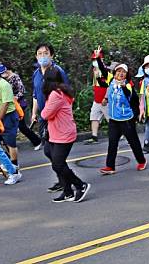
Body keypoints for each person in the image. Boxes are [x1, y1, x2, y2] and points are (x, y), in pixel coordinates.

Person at [40, 67, 91, 203]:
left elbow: (45, 114)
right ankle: (67, 191)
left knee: (58, 164)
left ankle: (80, 185)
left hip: (63, 134)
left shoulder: (56, 95)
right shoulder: (61, 91)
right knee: (49, 153)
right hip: (56, 132)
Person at [98, 62, 147, 175]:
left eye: (123, 72)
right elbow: (103, 70)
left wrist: (123, 86)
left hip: (126, 119)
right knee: (112, 143)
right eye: (119, 71)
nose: (121, 73)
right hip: (114, 118)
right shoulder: (111, 80)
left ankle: (141, 161)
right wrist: (98, 59)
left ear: (126, 74)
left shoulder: (128, 84)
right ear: (115, 73)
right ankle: (110, 166)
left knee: (133, 141)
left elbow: (128, 93)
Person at [31, 43, 69, 157]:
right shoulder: (36, 74)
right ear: (36, 56)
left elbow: (67, 94)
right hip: (44, 115)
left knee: (54, 150)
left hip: (57, 116)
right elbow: (35, 95)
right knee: (48, 150)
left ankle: (62, 171)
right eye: (40, 54)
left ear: (51, 55)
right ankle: (61, 171)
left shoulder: (58, 71)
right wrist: (34, 113)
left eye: (46, 53)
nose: (43, 56)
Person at [0, 64, 40, 148]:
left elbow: (22, 90)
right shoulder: (2, 80)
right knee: (5, 125)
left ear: (6, 70)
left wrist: (16, 97)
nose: (1, 75)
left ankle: (37, 141)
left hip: (19, 104)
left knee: (22, 126)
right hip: (9, 106)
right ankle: (6, 144)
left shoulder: (14, 77)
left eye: (2, 73)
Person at [85, 47, 112, 145]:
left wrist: (106, 98)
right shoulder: (94, 71)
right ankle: (94, 136)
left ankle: (120, 134)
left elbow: (109, 87)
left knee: (111, 119)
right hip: (97, 100)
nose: (95, 61)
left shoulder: (106, 72)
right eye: (94, 59)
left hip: (105, 101)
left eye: (97, 59)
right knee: (94, 117)